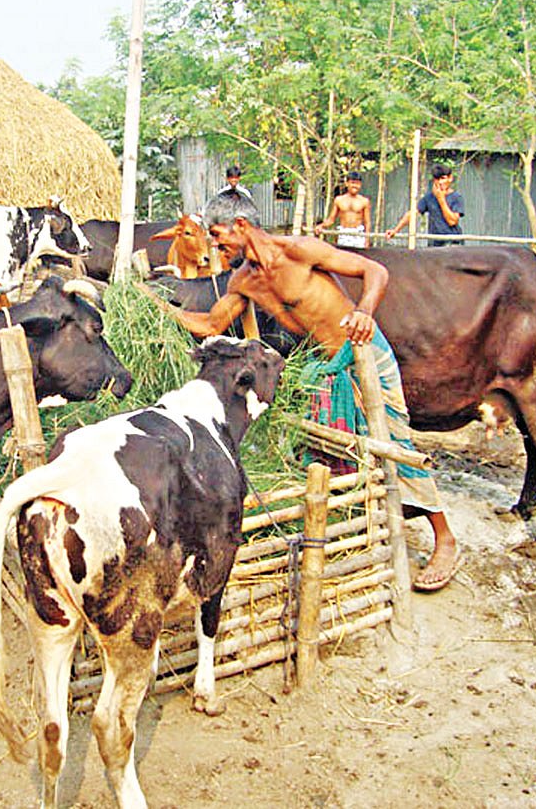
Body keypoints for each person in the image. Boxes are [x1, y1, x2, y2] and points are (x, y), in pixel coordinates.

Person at [153, 190, 462, 591]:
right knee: (333, 452)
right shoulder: (243, 280)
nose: (216, 244)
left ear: (241, 226)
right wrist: (155, 305)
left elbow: (375, 272)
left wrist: (364, 311)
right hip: (323, 371)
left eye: (218, 233)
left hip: (364, 355)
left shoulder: (300, 252)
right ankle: (360, 531)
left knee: (395, 442)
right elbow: (212, 325)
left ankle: (445, 538)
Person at [387, 163, 464, 246]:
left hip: (453, 243)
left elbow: (452, 221)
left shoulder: (457, 197)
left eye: (443, 178)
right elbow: (412, 213)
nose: (440, 182)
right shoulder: (429, 197)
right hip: (434, 243)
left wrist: (441, 199)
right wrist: (395, 230)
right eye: (437, 179)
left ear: (450, 178)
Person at [315, 171, 372, 247]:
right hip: (343, 233)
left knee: (357, 257)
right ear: (347, 183)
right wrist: (321, 226)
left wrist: (367, 240)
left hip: (358, 234)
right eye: (353, 183)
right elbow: (331, 220)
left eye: (357, 184)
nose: (355, 186)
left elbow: (367, 222)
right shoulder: (339, 200)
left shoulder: (364, 201)